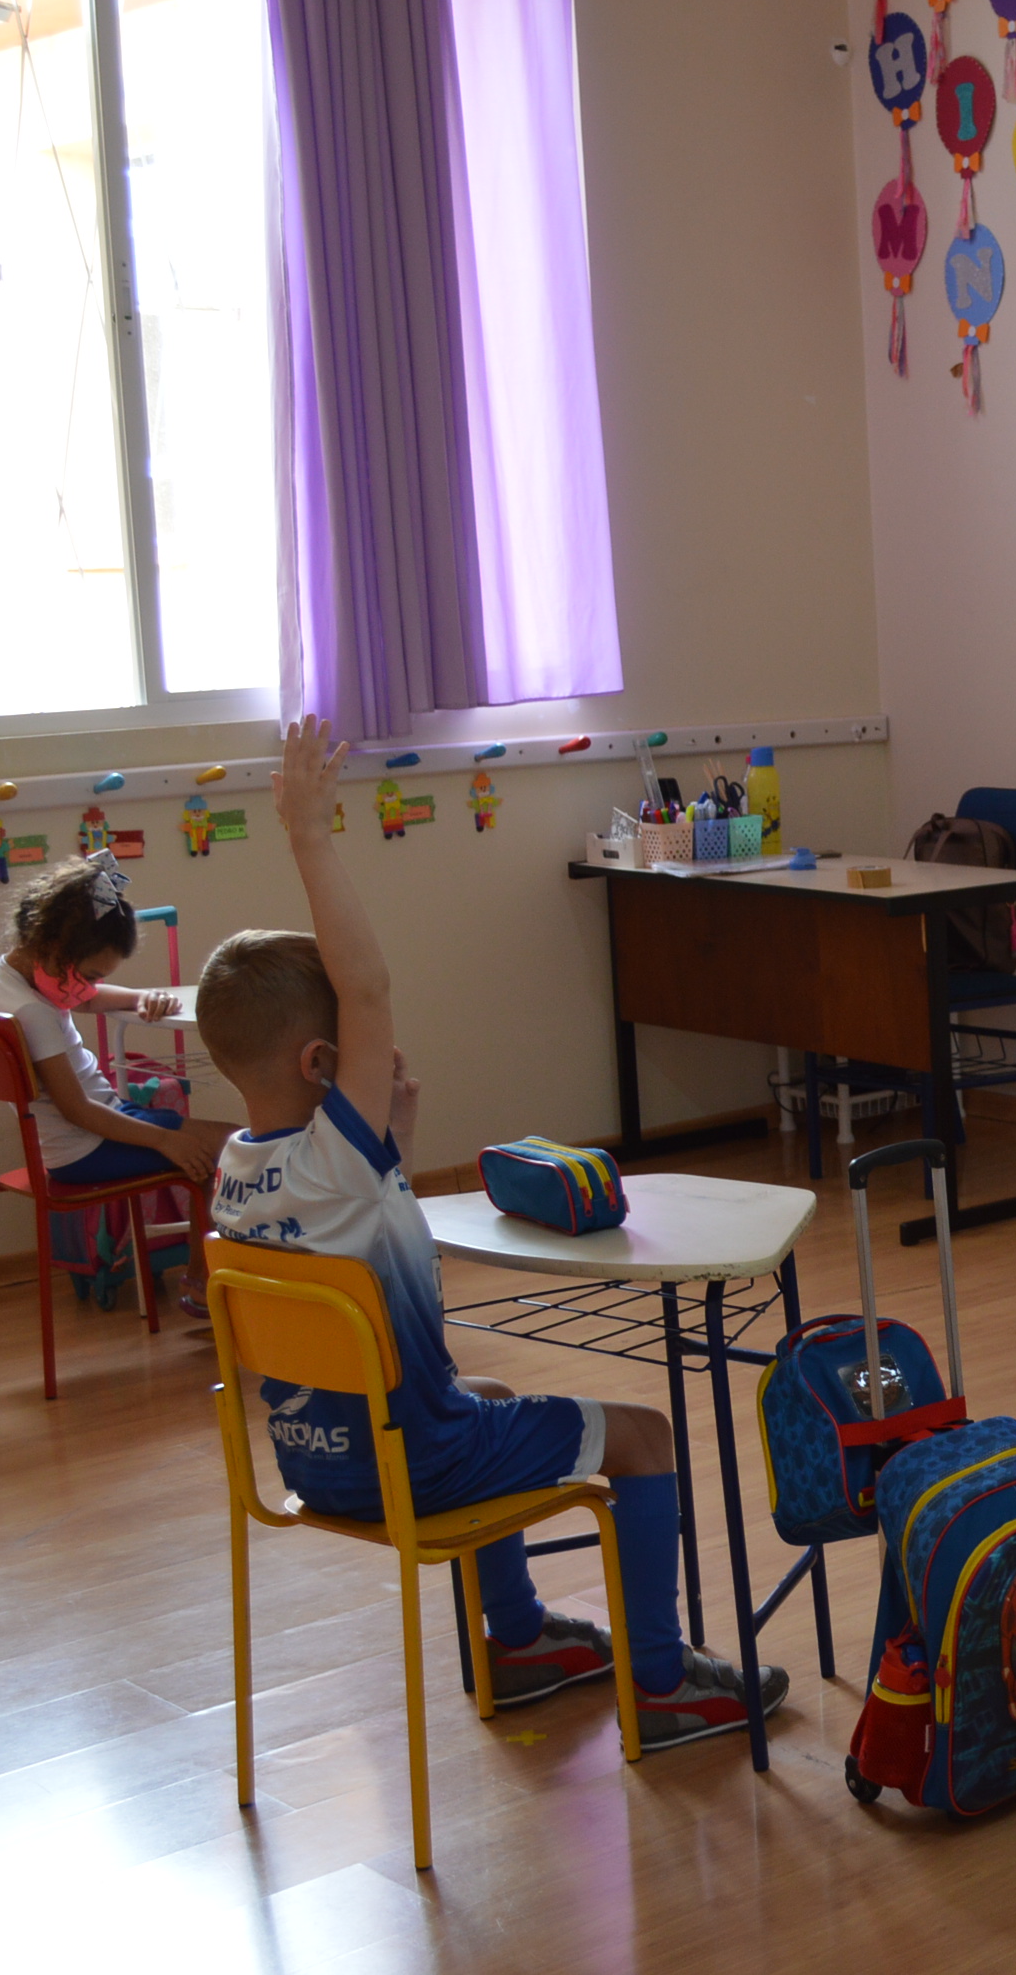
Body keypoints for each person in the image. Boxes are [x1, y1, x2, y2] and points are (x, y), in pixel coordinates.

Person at [200, 716, 786, 1747]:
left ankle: (516, 1641)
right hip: (414, 1465)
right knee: (644, 1436)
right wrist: (307, 835)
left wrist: (394, 1147)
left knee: (493, 1390)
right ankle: (661, 1681)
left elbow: (346, 1228)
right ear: (322, 1062)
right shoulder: (337, 1147)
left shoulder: (237, 1175)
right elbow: (370, 986)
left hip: (315, 1464)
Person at [0, 852, 236, 1190]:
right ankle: (214, 1243)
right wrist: (164, 1141)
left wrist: (137, 998)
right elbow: (77, 1110)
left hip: (88, 1133)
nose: (90, 988)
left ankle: (205, 1240)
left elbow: (86, 997)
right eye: (90, 976)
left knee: (218, 1144)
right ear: (55, 947)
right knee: (233, 1145)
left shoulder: (7, 979)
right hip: (86, 1148)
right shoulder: (32, 1013)